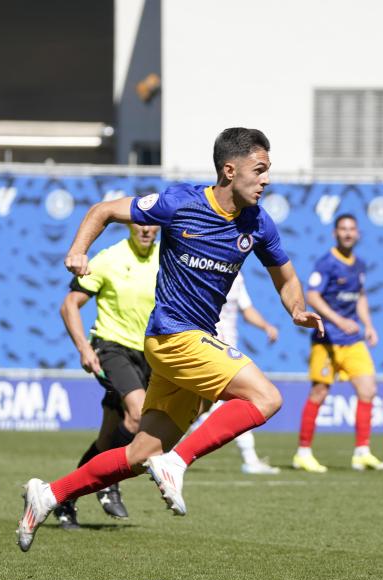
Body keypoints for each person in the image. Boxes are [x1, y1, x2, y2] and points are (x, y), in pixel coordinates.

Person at [16, 127, 324, 552]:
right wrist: (78, 251)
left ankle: (48, 495)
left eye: (268, 171)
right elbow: (103, 210)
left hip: (189, 344)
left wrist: (295, 308)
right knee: (267, 398)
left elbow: (285, 276)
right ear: (229, 170)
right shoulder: (180, 202)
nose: (267, 179)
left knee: (140, 452)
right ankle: (177, 463)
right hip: (173, 336)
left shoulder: (258, 223)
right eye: (260, 170)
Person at [54, 222, 160, 528]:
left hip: (148, 355)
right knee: (139, 416)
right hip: (112, 349)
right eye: (139, 223)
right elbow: (69, 305)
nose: (145, 230)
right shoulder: (109, 259)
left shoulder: (165, 259)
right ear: (128, 224)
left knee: (107, 439)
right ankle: (109, 483)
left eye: (152, 225)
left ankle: (61, 498)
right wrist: (84, 348)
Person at [291, 214, 383, 473]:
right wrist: (338, 320)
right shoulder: (326, 263)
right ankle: (303, 453)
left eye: (352, 229)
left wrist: (368, 325)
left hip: (353, 341)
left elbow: (360, 297)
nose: (347, 233)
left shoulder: (359, 265)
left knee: (368, 389)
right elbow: (312, 295)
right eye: (343, 229)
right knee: (319, 393)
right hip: (327, 339)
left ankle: (362, 453)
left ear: (357, 234)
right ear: (335, 233)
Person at [194, 273, 281, 474]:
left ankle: (160, 450)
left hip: (229, 350)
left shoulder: (238, 276)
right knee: (241, 400)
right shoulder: (203, 270)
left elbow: (246, 309)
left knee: (200, 406)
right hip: (209, 349)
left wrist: (266, 326)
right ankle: (249, 459)